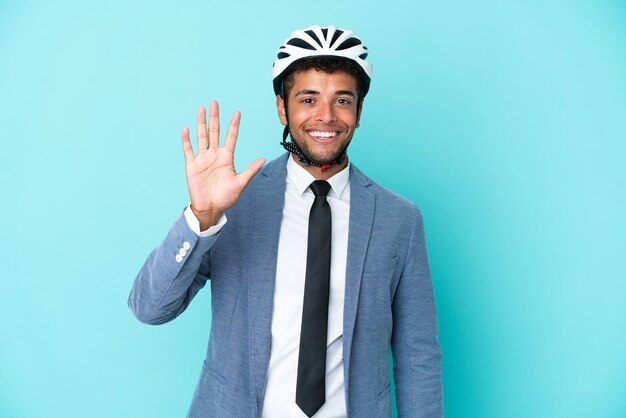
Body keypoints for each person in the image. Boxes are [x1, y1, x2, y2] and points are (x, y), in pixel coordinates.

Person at [128, 25, 443, 417]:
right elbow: (150, 307)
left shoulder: (400, 219)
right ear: (283, 108)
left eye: (342, 100)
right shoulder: (236, 203)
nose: (325, 116)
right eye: (308, 99)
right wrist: (201, 218)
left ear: (359, 112)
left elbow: (418, 357)